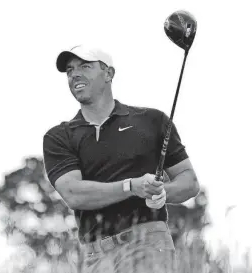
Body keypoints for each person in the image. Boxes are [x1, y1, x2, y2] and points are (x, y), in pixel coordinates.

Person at [43, 45, 200, 273]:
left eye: (85, 66)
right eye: (69, 70)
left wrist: (163, 192)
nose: (74, 74)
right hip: (95, 256)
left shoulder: (151, 121)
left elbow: (189, 182)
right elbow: (73, 193)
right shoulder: (59, 137)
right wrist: (131, 187)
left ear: (109, 74)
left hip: (147, 243)